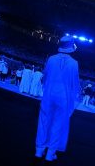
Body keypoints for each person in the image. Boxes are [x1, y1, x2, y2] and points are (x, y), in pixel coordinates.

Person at [35, 35, 80, 163]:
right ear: (71, 48)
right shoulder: (74, 63)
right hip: (63, 97)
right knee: (58, 124)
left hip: (49, 94)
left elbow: (45, 77)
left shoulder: (51, 59)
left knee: (44, 122)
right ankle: (50, 153)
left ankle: (39, 150)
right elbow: (74, 85)